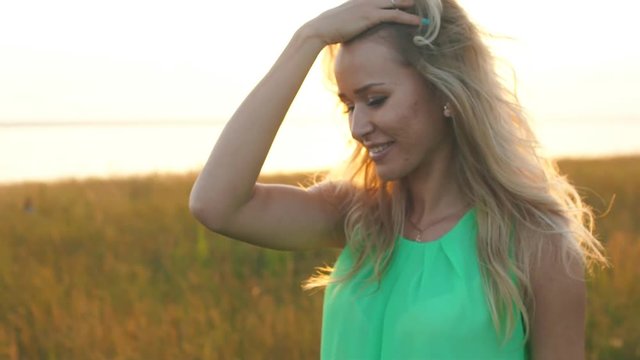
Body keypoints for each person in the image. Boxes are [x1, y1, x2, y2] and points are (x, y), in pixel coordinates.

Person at [189, 0, 609, 358]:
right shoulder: (359, 216)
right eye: (348, 106)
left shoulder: (537, 242)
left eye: (376, 99)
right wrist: (309, 38)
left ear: (446, 92)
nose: (358, 126)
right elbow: (216, 205)